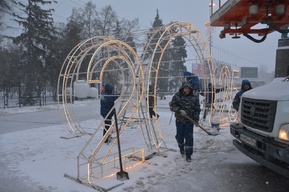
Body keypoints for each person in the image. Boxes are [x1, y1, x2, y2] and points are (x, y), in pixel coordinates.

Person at [169, 81, 201, 162]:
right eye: (185, 88)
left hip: (189, 121)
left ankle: (188, 154)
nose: (187, 90)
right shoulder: (177, 96)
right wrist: (179, 110)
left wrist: (196, 120)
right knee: (180, 137)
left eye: (188, 89)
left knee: (189, 138)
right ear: (183, 88)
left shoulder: (194, 97)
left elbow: (197, 109)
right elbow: (172, 106)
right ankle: (181, 148)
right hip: (180, 120)